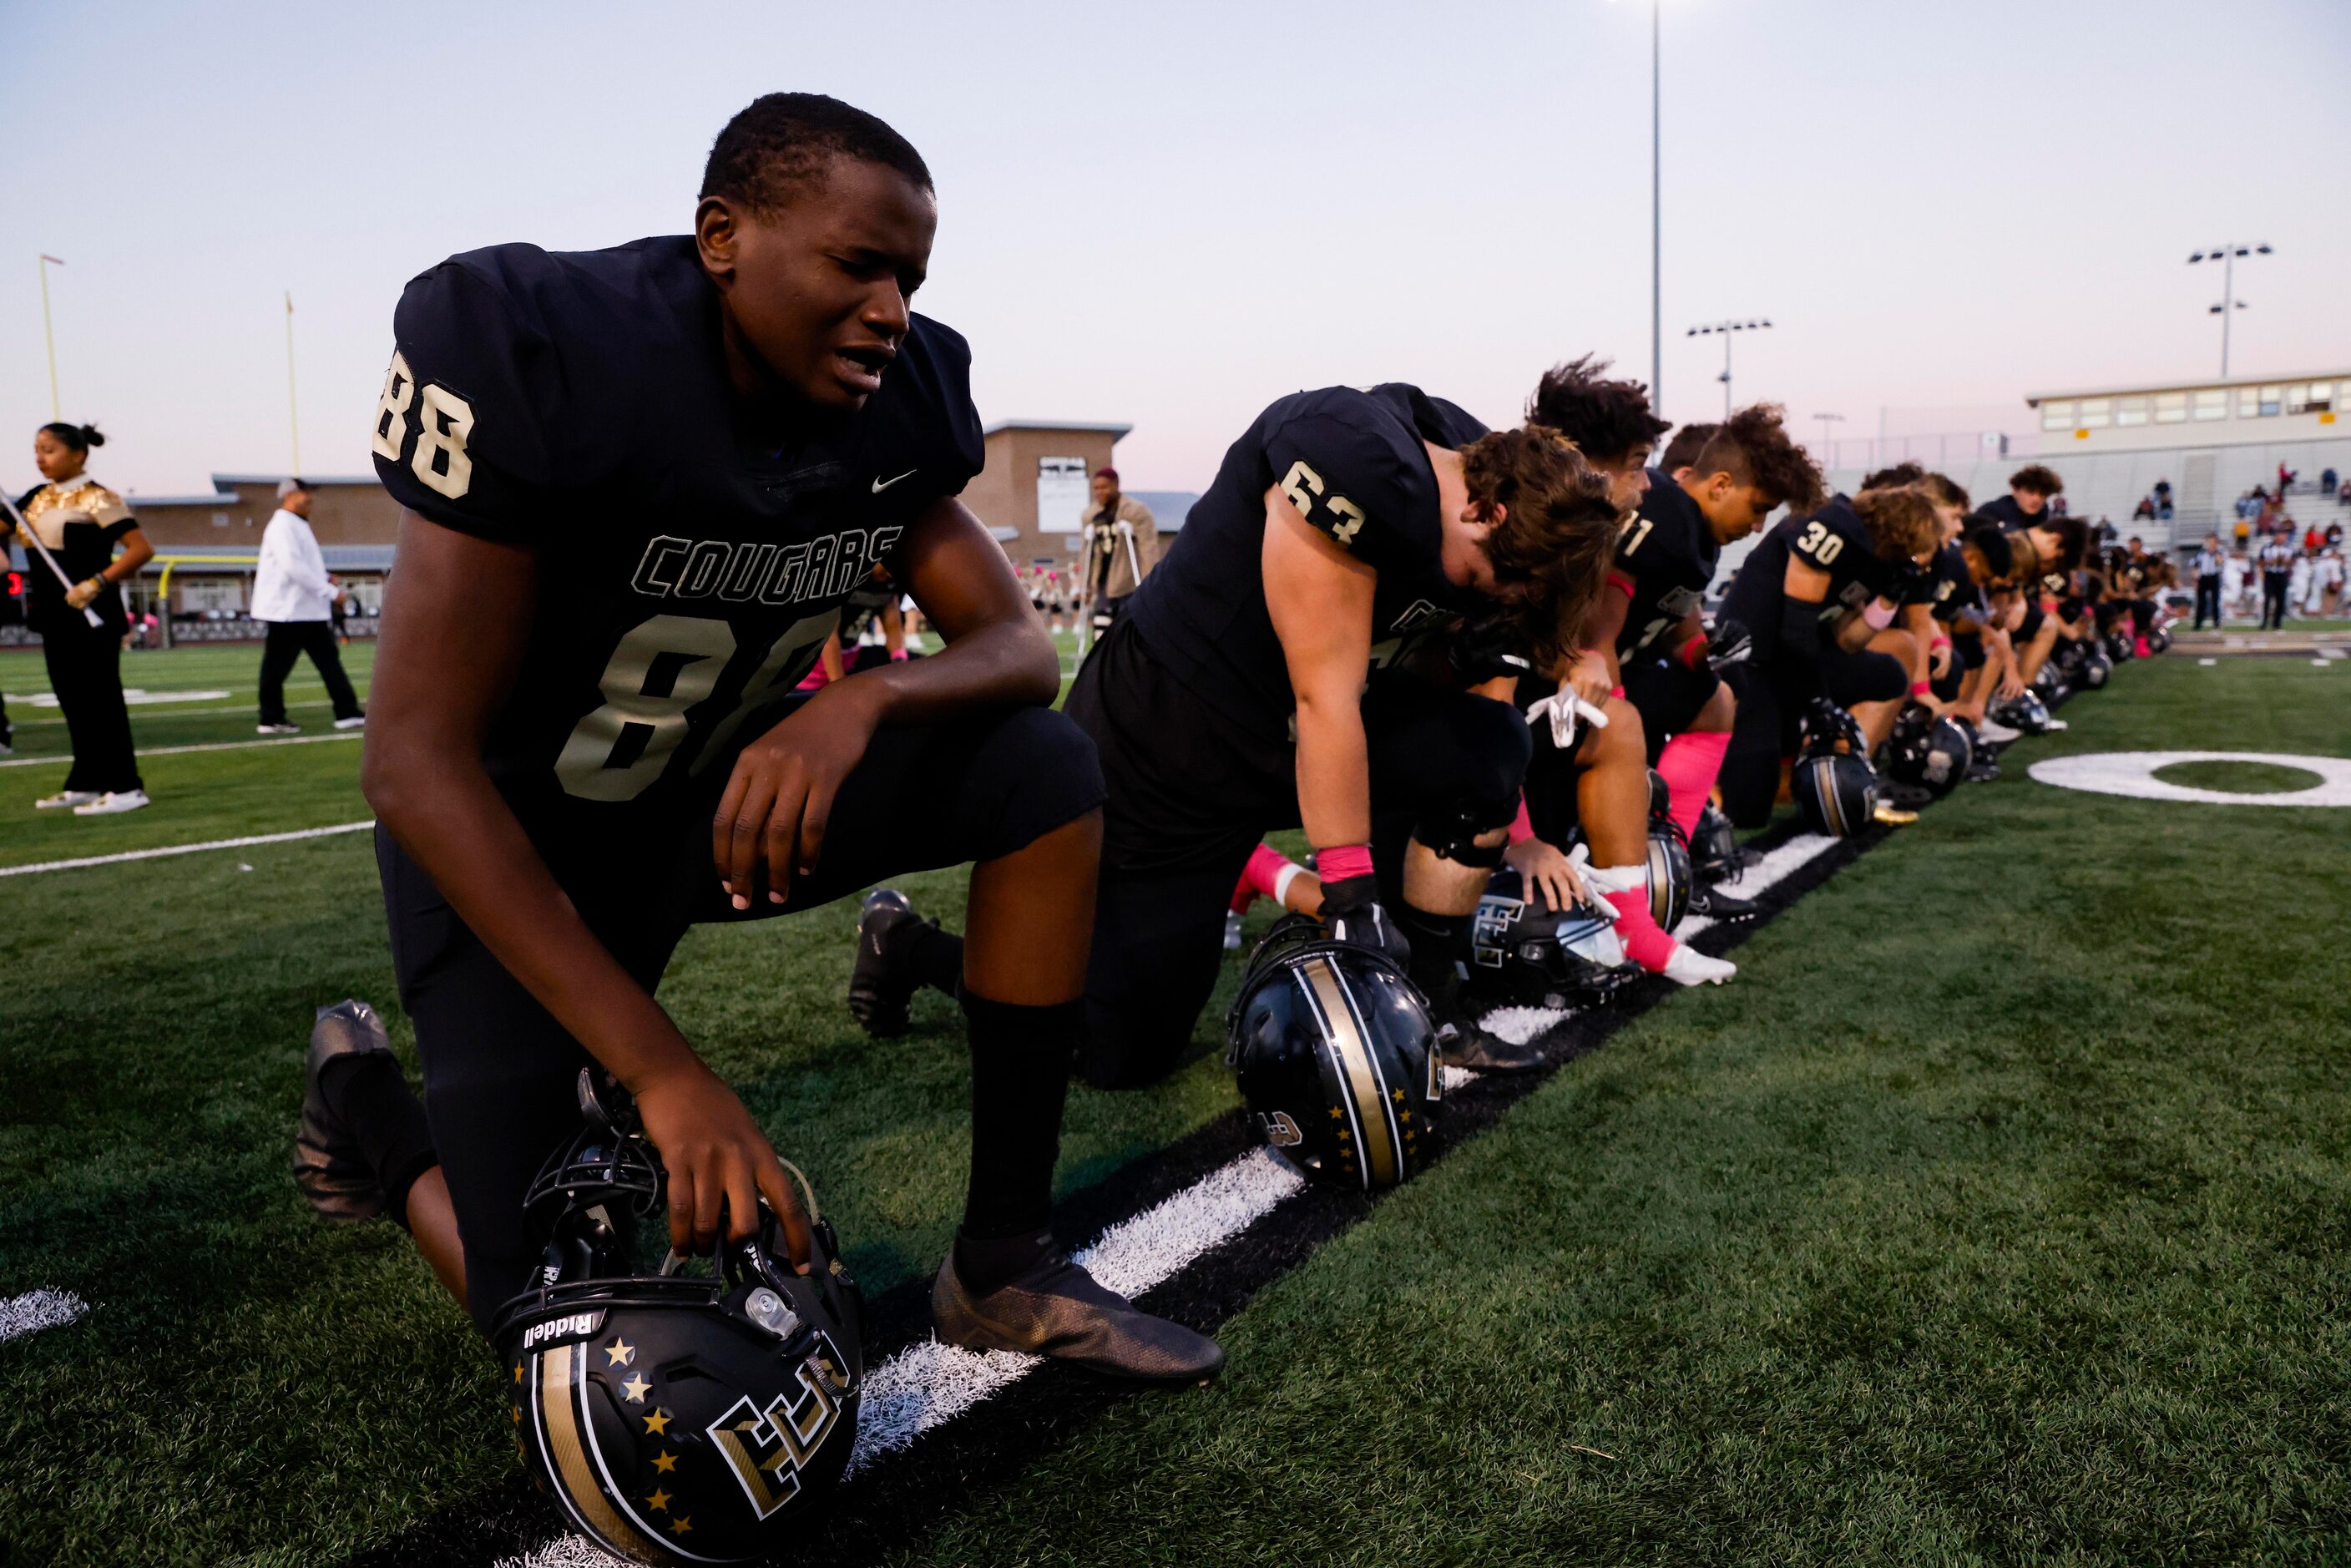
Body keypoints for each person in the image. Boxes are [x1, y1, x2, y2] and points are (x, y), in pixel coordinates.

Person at [294, 94, 1223, 1383]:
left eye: (909, 274)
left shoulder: (894, 406)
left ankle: (1002, 1262)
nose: (892, 307)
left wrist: (860, 700)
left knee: (1047, 767)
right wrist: (667, 1074)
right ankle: (374, 1120)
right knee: (572, 1341)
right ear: (722, 236)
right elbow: (410, 761)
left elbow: (1014, 647)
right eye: (858, 264)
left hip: (708, 806)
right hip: (518, 844)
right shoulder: (553, 350)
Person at [856, 382, 1625, 1083]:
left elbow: (1403, 676)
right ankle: (904, 942)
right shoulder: (1351, 458)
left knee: (1488, 744)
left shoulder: (1492, 472)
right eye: (1487, 583)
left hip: (1295, 737)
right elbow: (1325, 698)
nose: (1485, 601)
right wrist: (1353, 900)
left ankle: (1427, 996)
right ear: (1480, 511)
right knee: (1117, 1050)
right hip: (1171, 744)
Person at [1715, 480, 1944, 828]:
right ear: (1899, 532)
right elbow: (1796, 629)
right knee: (1749, 806)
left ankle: (1847, 774)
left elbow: (1848, 640)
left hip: (1797, 660)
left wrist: (1889, 600)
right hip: (1753, 660)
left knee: (1889, 675)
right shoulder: (1833, 526)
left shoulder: (1876, 559)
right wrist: (1820, 700)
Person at [13, 422, 151, 814]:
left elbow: (140, 549)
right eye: (37, 450)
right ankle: (86, 780)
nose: (40, 458)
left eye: (50, 450)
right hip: (52, 616)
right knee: (71, 700)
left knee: (102, 700)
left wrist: (96, 583)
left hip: (93, 613)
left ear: (78, 455)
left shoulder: (98, 499)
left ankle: (127, 787)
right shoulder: (33, 497)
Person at [253, 478, 367, 736]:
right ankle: (270, 718)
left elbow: (304, 566)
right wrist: (330, 592)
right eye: (306, 497)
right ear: (291, 496)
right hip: (289, 612)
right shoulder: (282, 525)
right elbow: (293, 566)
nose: (310, 502)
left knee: (329, 662)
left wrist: (324, 579)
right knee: (276, 667)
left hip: (307, 610)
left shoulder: (296, 524)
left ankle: (347, 712)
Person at [1079, 467, 1158, 630]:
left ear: (1116, 485)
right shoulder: (1091, 515)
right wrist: (1085, 584)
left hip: (1128, 579)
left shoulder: (1136, 511)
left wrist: (1149, 582)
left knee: (1127, 626)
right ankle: (1103, 654)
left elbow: (1148, 548)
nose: (1100, 492)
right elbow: (1087, 551)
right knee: (1101, 624)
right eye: (1096, 488)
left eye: (1105, 487)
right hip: (1103, 580)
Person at [2257, 529, 2295, 630]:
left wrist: (2285, 561)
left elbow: (2292, 563)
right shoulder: (2267, 547)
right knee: (2267, 599)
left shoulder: (2288, 548)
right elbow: (2260, 562)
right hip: (2270, 574)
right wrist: (2269, 562)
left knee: (2281, 600)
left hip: (2282, 574)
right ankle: (2264, 622)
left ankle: (2277, 624)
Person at [2192, 534, 2225, 630]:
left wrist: (2214, 553)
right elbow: (2195, 566)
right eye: (2209, 542)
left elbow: (2221, 562)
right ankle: (2198, 624)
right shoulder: (2201, 553)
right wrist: (2195, 580)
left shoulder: (2219, 552)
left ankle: (2216, 623)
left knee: (2215, 601)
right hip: (2203, 578)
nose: (2211, 544)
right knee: (2201, 602)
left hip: (2214, 577)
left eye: (2213, 542)